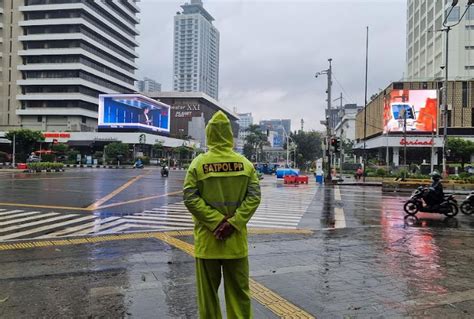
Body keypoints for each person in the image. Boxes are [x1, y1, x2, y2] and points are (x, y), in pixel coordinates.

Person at [183, 111, 261, 319]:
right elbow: (254, 197)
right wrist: (233, 223)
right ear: (229, 135)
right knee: (239, 295)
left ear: (209, 134)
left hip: (208, 242)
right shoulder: (245, 165)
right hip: (235, 244)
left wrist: (215, 222)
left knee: (207, 297)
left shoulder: (198, 165)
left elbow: (190, 197)